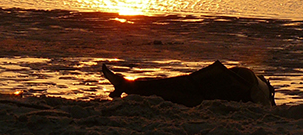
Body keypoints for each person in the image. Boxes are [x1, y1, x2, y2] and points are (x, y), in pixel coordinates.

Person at [102, 61, 275, 107]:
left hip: (233, 87)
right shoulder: (263, 92)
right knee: (179, 85)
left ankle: (127, 85)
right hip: (234, 85)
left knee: (179, 86)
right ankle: (127, 85)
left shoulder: (260, 92)